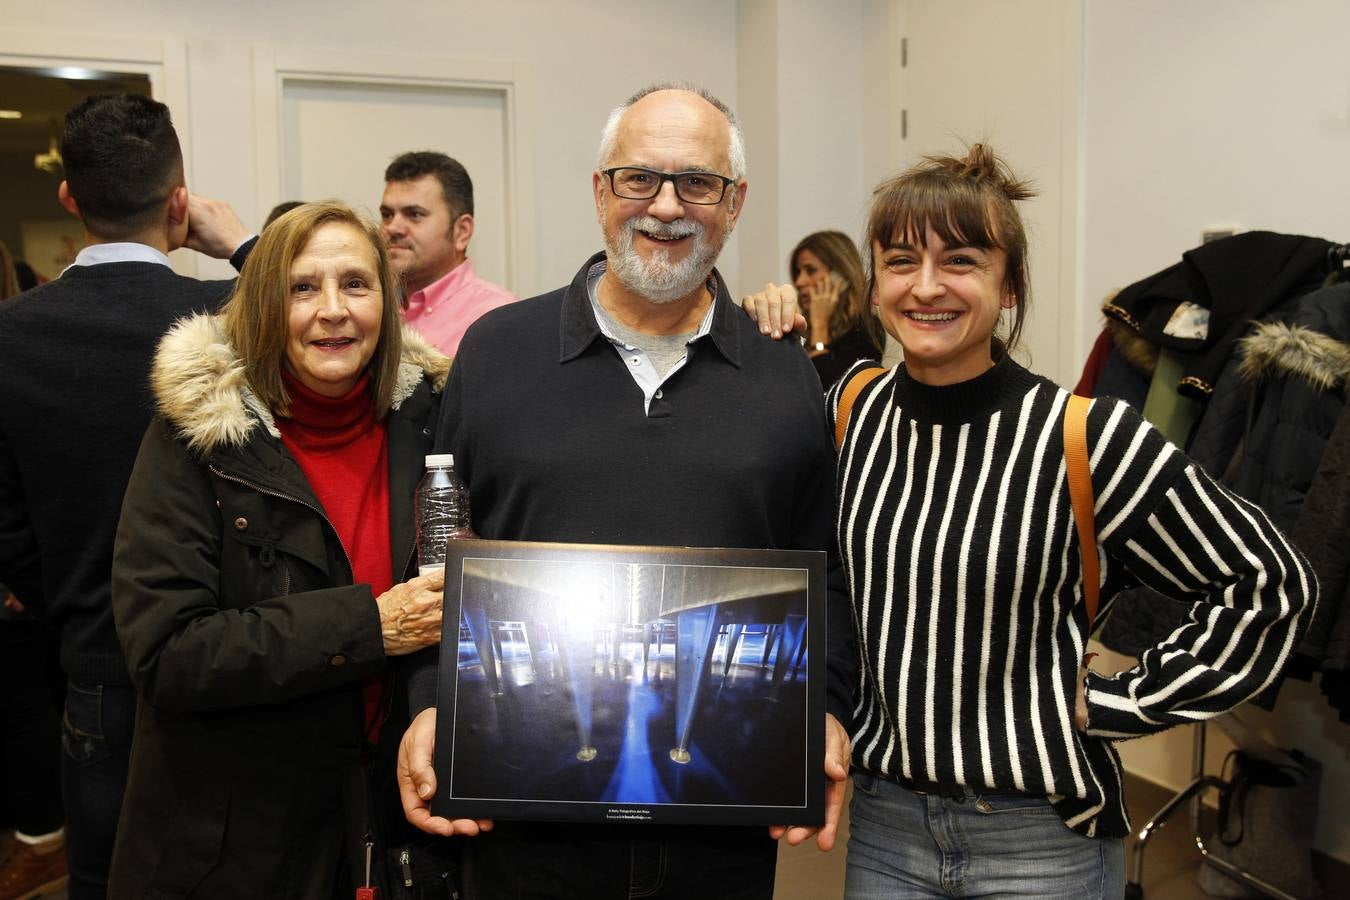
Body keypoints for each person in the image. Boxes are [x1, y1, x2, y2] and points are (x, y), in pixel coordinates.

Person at [744, 145, 1315, 899]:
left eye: (960, 261)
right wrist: (753, 330)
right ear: (875, 281)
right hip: (884, 831)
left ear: (1008, 285)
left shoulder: (1083, 436)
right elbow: (814, 569)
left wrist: (1127, 699)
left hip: (1040, 842)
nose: (925, 287)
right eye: (901, 260)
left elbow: (1270, 583)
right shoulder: (852, 410)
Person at [395, 83, 856, 900]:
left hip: (724, 828)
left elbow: (827, 572)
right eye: (639, 178)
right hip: (523, 824)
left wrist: (821, 710)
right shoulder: (496, 355)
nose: (667, 207)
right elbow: (438, 557)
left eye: (697, 183)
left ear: (735, 202)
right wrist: (431, 705)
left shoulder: (785, 378)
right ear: (601, 190)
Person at [108, 201, 451, 898]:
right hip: (237, 838)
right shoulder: (197, 439)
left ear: (386, 302)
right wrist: (369, 628)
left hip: (394, 821)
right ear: (266, 304)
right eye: (303, 287)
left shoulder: (430, 424)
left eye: (356, 284)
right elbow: (168, 652)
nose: (332, 310)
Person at [0, 93, 254, 899]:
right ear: (181, 204)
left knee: (109, 884)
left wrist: (76, 607)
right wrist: (248, 246)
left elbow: (8, 535)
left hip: (97, 676)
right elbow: (361, 339)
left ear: (70, 198)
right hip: (233, 667)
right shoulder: (231, 320)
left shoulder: (9, 337)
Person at [379, 151, 516, 355]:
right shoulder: (370, 306)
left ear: (462, 231)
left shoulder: (500, 316)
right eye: (387, 215)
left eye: (415, 214)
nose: (392, 227)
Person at [790, 230, 883, 389]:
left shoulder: (866, 327)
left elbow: (825, 388)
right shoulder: (800, 326)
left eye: (810, 270)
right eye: (798, 272)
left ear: (840, 276)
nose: (799, 282)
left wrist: (820, 326)